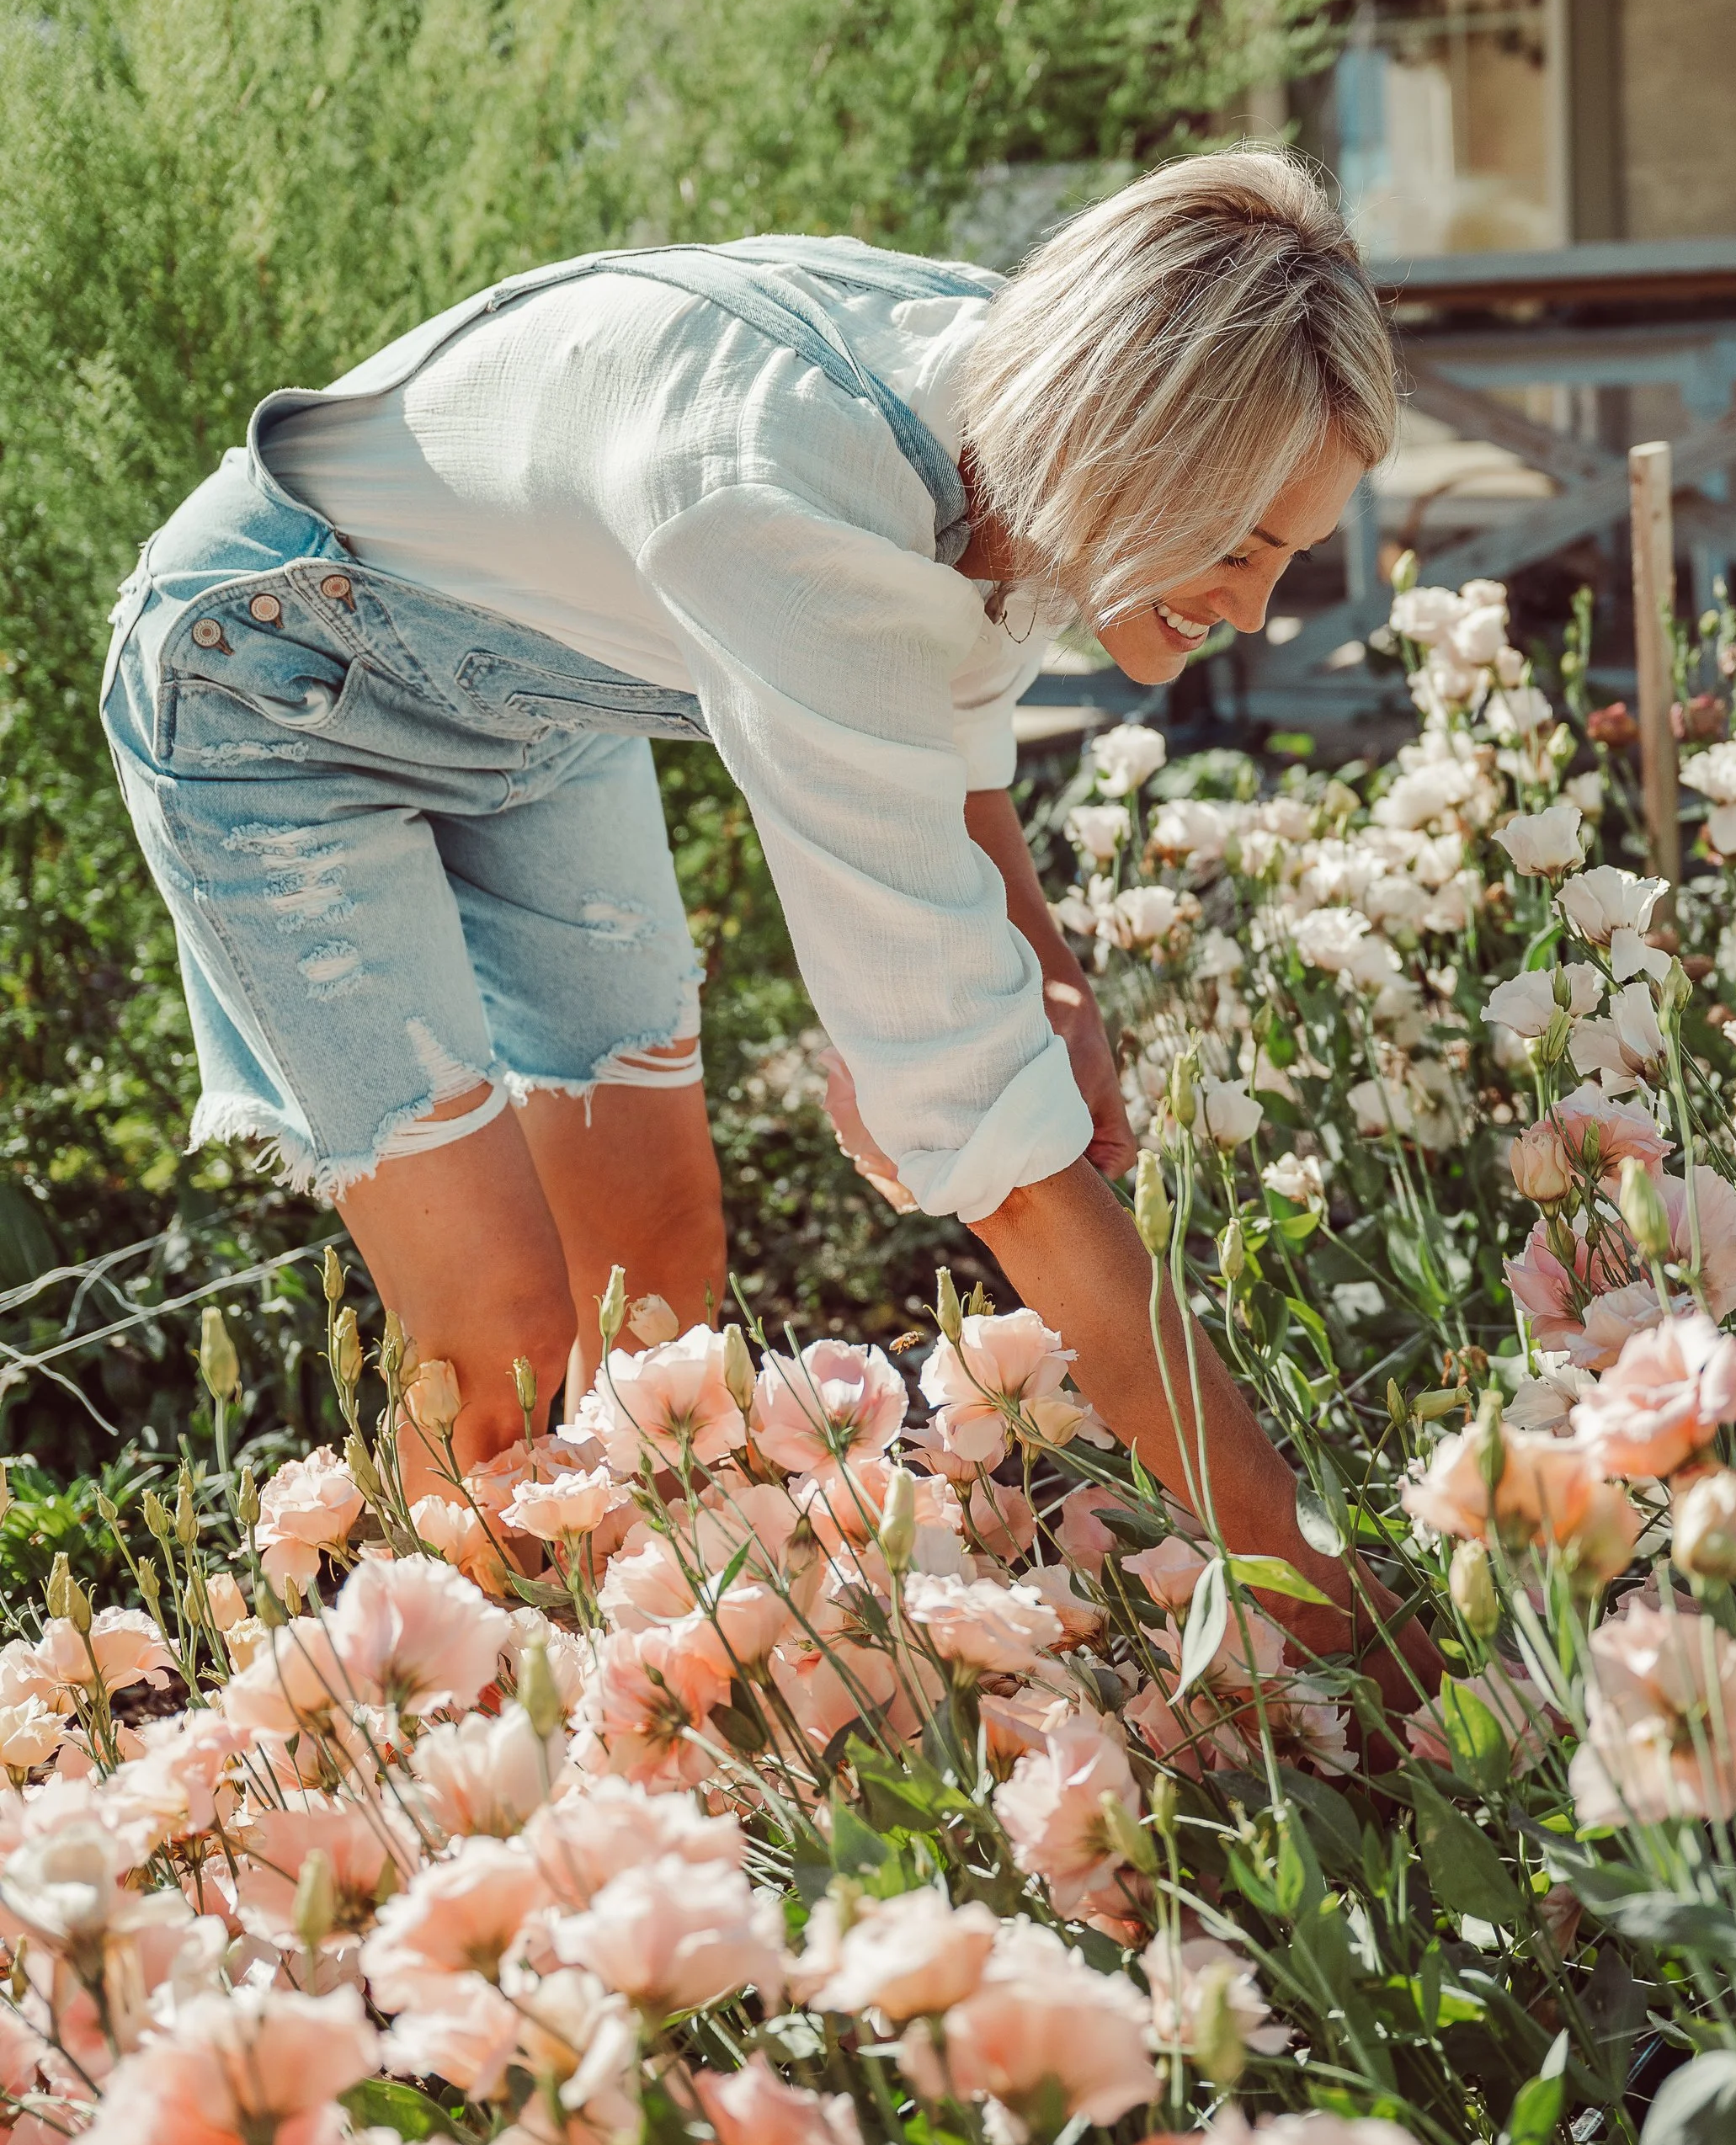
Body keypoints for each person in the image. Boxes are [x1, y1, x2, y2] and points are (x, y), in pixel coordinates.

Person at [103, 148, 1414, 1661]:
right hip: (272, 677)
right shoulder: (779, 496)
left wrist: (1044, 976)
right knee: (504, 1343)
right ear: (1129, 445)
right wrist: (1314, 1591)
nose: (1253, 610)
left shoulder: (1032, 403)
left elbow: (944, 676)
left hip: (533, 690)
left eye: (1290, 557)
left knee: (658, 1267)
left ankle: (610, 1704)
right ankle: (419, 1742)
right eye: (1239, 548)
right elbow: (990, 1146)